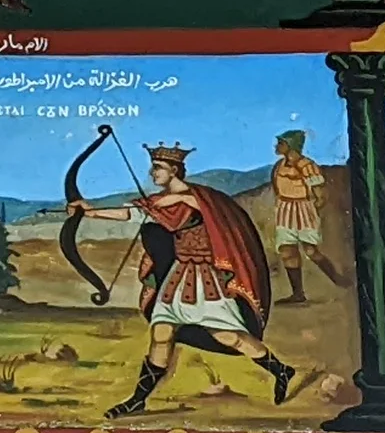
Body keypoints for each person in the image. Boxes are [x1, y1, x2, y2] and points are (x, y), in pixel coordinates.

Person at [69, 143, 300, 417]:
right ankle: (138, 400)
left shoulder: (198, 198)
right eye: (153, 168)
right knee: (161, 333)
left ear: (174, 170)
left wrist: (165, 201)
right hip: (178, 277)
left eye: (158, 168)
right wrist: (90, 212)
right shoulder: (163, 202)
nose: (152, 173)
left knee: (228, 336)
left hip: (207, 280)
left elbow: (191, 206)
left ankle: (281, 370)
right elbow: (131, 214)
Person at [265, 128, 338, 305]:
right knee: (287, 251)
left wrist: (310, 210)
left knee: (310, 250)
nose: (277, 146)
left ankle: (340, 281)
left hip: (303, 209)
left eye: (281, 143)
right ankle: (298, 293)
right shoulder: (279, 166)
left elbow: (320, 195)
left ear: (290, 146)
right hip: (285, 210)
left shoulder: (307, 165)